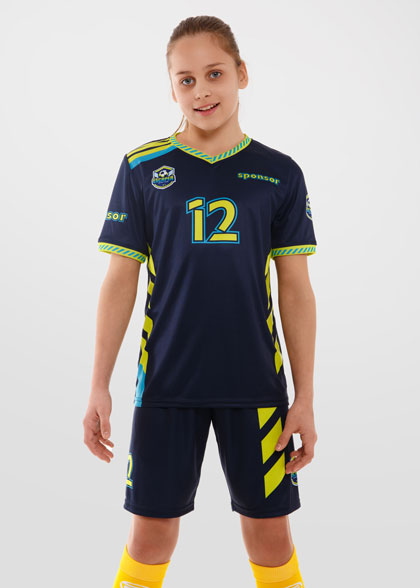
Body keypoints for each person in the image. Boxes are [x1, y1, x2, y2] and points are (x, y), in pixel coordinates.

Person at [83, 15, 318, 588]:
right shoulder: (142, 168)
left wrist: (305, 396)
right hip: (167, 383)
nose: (201, 91)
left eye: (214, 74)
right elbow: (120, 281)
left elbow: (295, 289)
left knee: (271, 538)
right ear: (171, 88)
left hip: (257, 386)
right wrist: (98, 385)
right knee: (149, 535)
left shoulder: (280, 174)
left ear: (241, 74)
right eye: (185, 80)